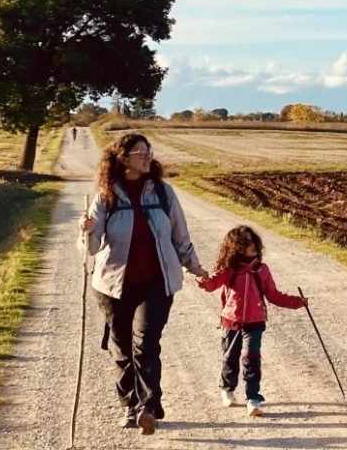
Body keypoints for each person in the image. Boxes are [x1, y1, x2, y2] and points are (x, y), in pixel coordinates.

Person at [78, 133, 208, 435]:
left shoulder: (163, 193)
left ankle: (149, 407)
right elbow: (91, 247)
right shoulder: (106, 197)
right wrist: (85, 230)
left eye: (149, 152)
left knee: (146, 343)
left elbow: (180, 235)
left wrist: (194, 266)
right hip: (113, 286)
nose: (148, 157)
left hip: (155, 283)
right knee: (122, 348)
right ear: (123, 158)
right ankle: (129, 405)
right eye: (141, 153)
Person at [196, 225, 308, 417]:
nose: (253, 246)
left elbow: (273, 295)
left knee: (251, 358)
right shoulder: (229, 270)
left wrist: (298, 302)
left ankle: (253, 398)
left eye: (254, 241)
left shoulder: (262, 270)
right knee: (230, 358)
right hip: (230, 321)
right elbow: (212, 284)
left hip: (255, 322)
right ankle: (227, 388)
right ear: (237, 247)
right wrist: (202, 280)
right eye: (247, 243)